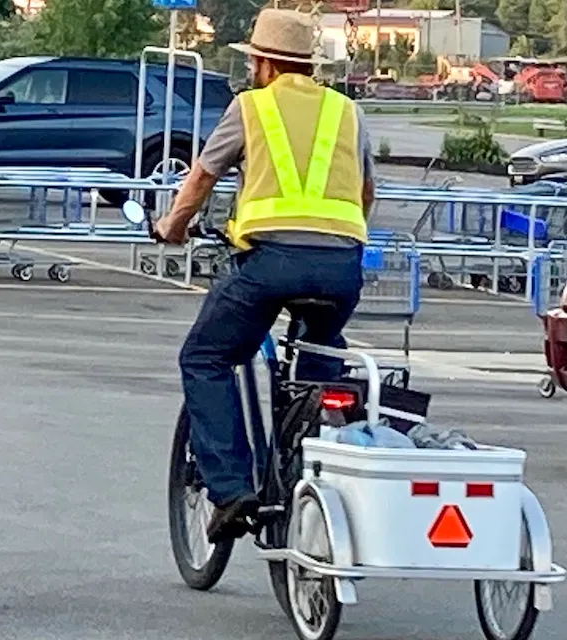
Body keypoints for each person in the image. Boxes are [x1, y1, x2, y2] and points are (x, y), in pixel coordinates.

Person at [152, 9, 376, 543]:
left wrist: (172, 227)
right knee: (320, 363)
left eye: (254, 59)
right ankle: (318, 445)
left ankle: (232, 492)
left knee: (205, 358)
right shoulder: (348, 113)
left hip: (269, 265)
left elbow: (203, 175)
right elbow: (365, 192)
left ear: (266, 63)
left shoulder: (251, 108)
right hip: (343, 266)